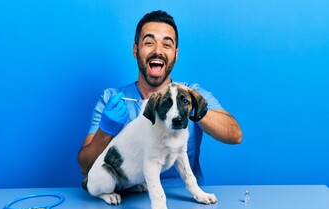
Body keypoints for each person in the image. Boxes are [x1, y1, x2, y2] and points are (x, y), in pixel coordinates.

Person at [78, 10, 242, 186]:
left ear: (175, 54)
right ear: (135, 50)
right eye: (149, 42)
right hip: (129, 197)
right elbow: (86, 168)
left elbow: (235, 135)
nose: (157, 51)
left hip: (183, 196)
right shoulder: (112, 99)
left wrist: (194, 108)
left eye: (167, 45)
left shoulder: (192, 93)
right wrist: (105, 131)